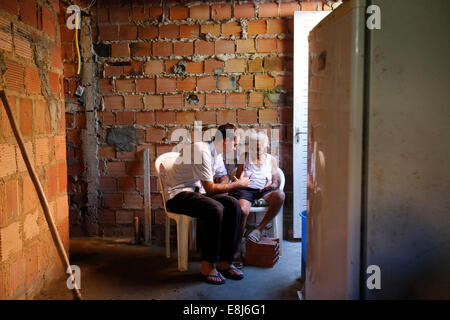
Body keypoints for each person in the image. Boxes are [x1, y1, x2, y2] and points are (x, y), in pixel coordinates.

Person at [163, 126, 249, 285]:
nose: (236, 148)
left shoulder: (216, 153)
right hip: (178, 195)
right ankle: (208, 266)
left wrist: (226, 184)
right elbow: (210, 188)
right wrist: (237, 185)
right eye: (235, 145)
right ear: (226, 141)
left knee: (233, 204)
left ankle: (225, 262)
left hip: (198, 193)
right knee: (215, 209)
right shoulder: (201, 150)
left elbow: (222, 176)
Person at [232, 131, 285, 243]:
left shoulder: (272, 160)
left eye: (259, 148)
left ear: (266, 147)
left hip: (265, 191)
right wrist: (240, 180)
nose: (256, 151)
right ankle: (237, 243)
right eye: (253, 148)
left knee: (280, 195)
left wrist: (270, 185)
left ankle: (259, 229)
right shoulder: (244, 156)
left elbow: (276, 182)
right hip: (246, 190)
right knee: (243, 210)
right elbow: (237, 180)